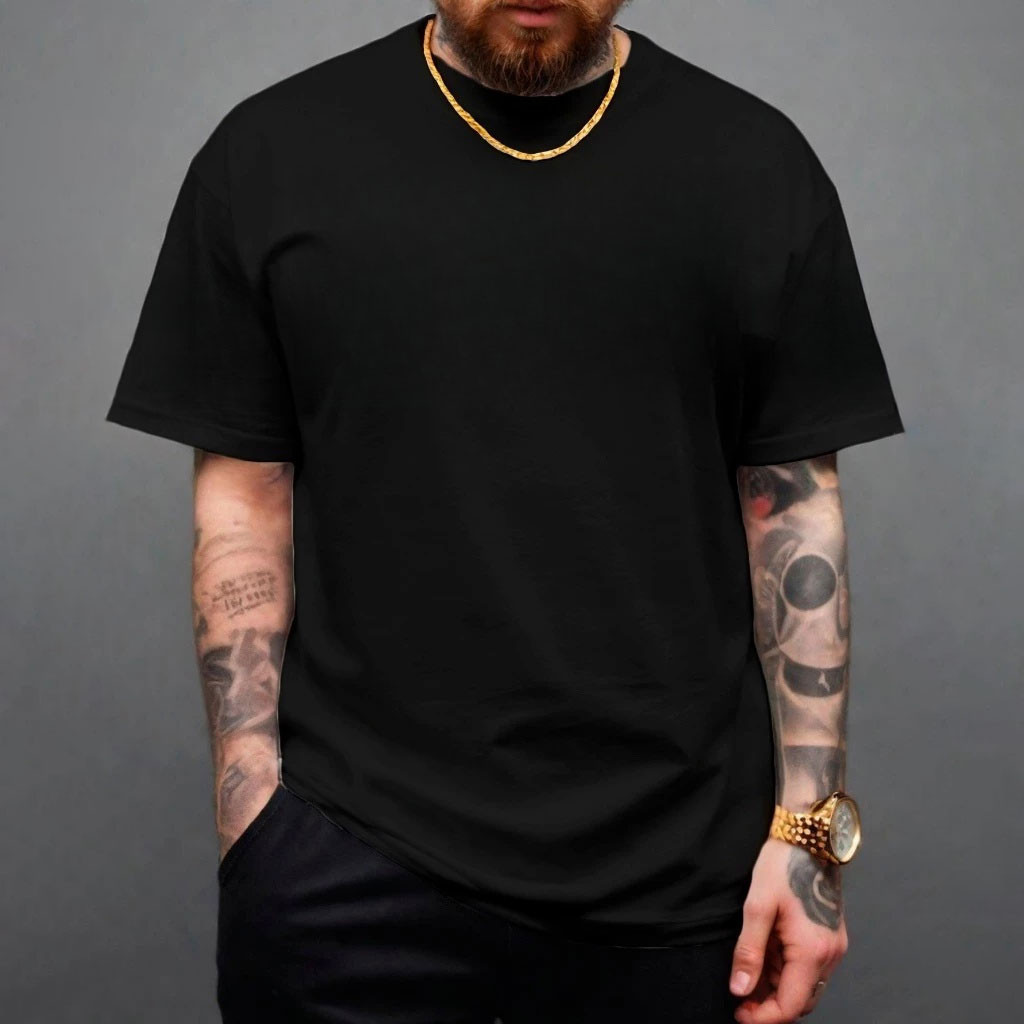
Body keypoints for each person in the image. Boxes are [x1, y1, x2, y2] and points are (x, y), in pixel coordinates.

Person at [105, 2, 905, 1021]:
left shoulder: (756, 165)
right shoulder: (269, 156)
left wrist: (807, 840)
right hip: (351, 871)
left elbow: (793, 513)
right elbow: (242, 502)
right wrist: (253, 819)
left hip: (681, 886)